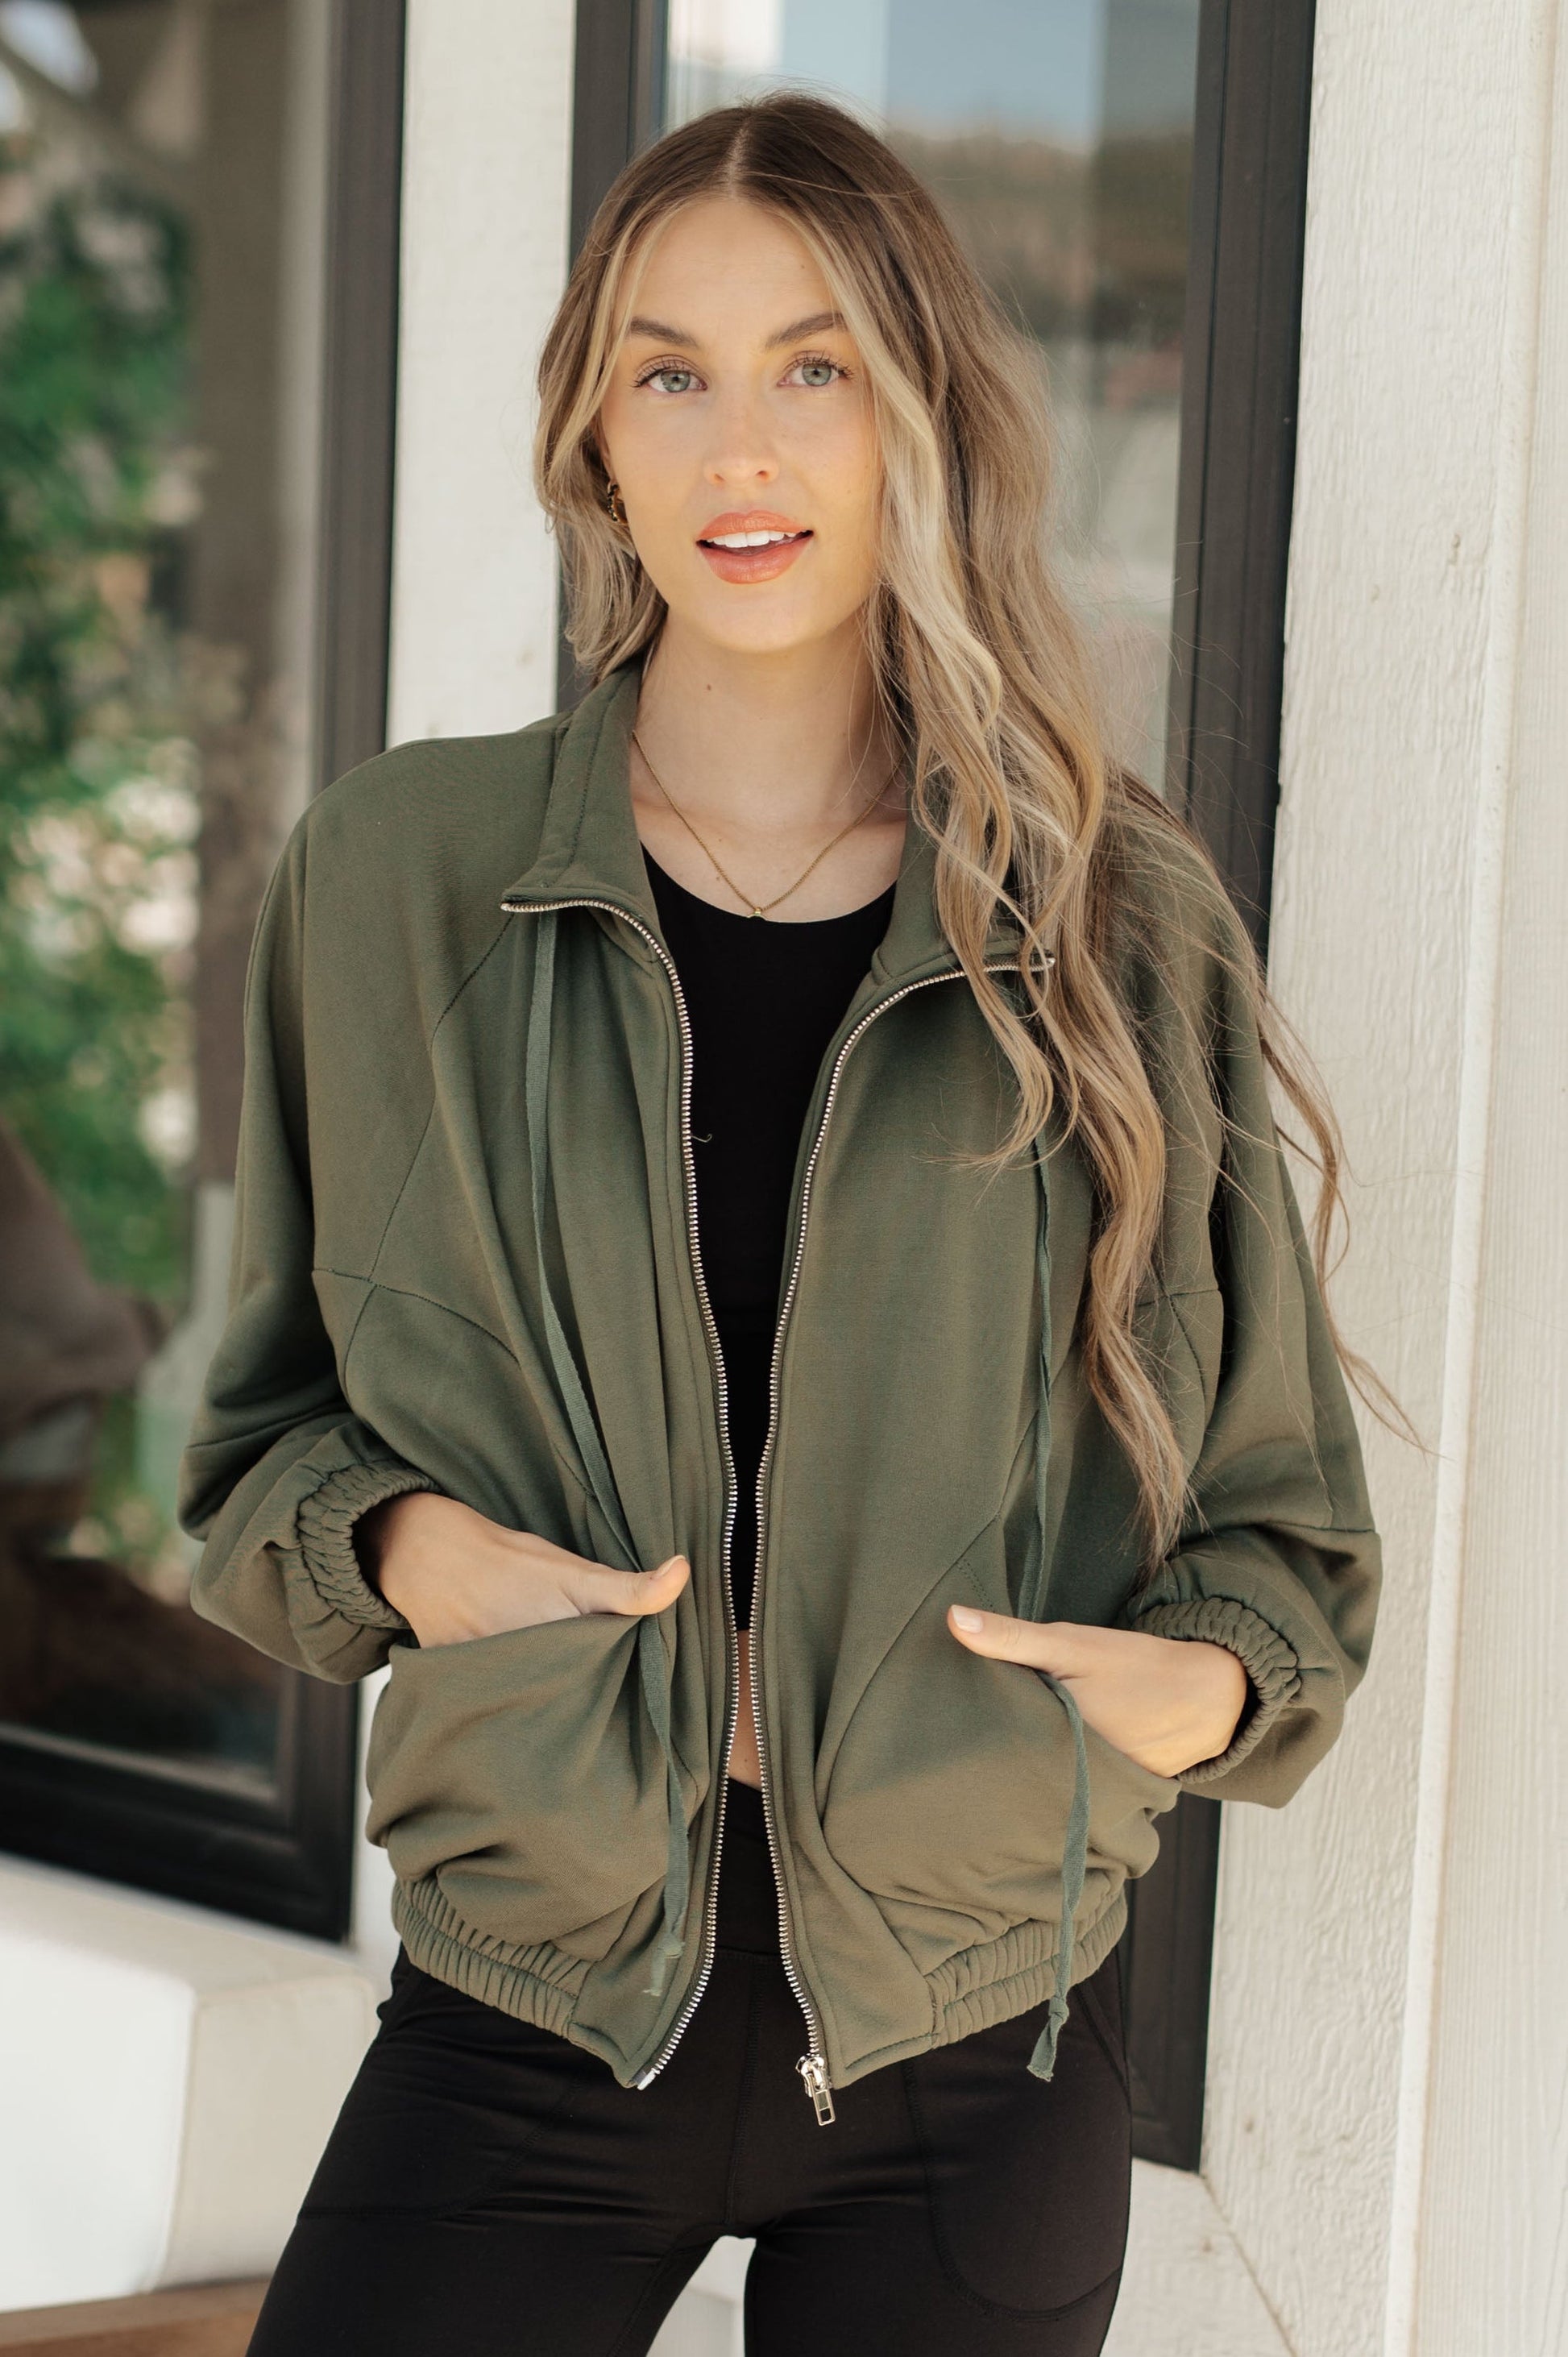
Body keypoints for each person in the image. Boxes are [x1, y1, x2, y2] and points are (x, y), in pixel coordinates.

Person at [178, 93, 1384, 2357]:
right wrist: (413, 1552)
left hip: (977, 2036)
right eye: (672, 371)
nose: (744, 446)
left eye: (814, 366)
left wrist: (1190, 1679)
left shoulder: (1114, 923)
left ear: (916, 414)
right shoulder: (395, 881)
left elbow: (1276, 1530)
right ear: (592, 439)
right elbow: (254, 1460)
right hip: (526, 2003)